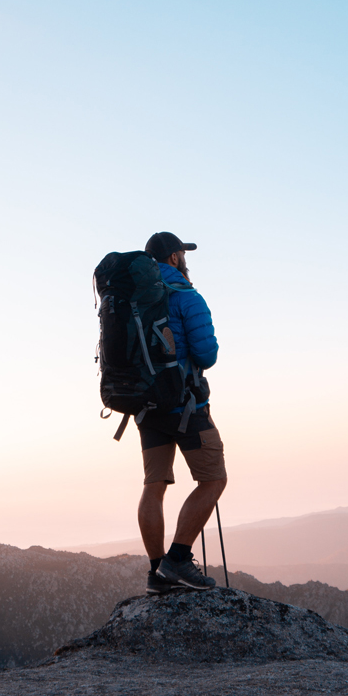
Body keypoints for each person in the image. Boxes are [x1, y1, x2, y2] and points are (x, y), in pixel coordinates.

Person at [138, 231, 227, 593]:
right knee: (213, 479)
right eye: (181, 253)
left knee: (154, 485)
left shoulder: (135, 298)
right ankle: (177, 560)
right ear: (174, 258)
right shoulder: (187, 296)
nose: (184, 258)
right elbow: (206, 355)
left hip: (145, 406)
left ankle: (157, 571)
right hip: (186, 404)